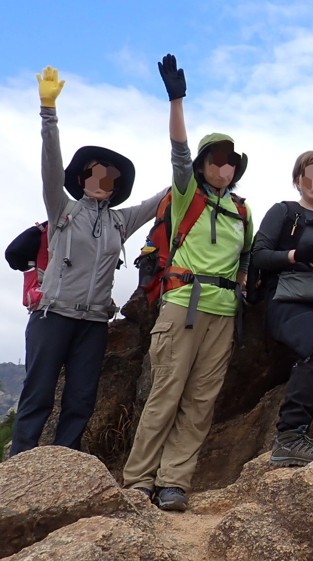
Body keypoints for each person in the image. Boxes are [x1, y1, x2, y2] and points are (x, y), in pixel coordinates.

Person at [9, 67, 164, 457]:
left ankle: (65, 471)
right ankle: (18, 470)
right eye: (95, 174)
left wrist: (191, 168)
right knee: (37, 396)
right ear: (80, 178)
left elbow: (158, 200)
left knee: (81, 401)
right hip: (53, 315)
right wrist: (49, 113)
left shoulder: (119, 221)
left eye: (111, 178)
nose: (103, 181)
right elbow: (49, 164)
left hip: (94, 321)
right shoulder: (62, 209)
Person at [123, 54, 254, 512]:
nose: (224, 168)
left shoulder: (242, 210)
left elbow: (245, 259)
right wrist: (176, 99)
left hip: (223, 311)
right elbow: (177, 150)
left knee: (201, 401)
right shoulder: (186, 195)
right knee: (166, 393)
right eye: (216, 161)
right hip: (184, 303)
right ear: (203, 165)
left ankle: (174, 481)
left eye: (231, 162)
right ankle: (139, 479)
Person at [250, 150, 313, 466]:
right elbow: (258, 255)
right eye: (309, 175)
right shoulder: (283, 212)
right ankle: (289, 438)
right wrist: (296, 255)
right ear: (298, 180)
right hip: (287, 300)